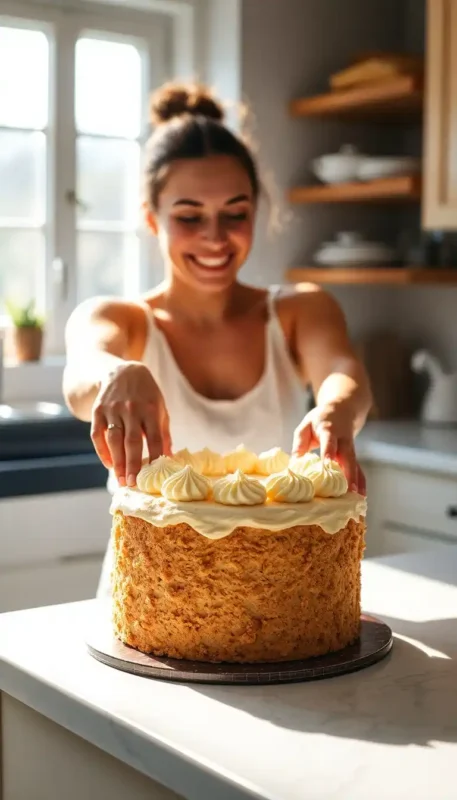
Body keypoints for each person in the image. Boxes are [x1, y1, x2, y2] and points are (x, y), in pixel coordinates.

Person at [63, 81, 372, 596]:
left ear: (257, 210)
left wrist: (335, 407)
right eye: (189, 216)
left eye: (235, 213)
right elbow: (81, 376)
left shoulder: (300, 310)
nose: (214, 237)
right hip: (154, 598)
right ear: (150, 218)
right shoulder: (122, 319)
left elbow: (344, 371)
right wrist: (117, 372)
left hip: (281, 596)